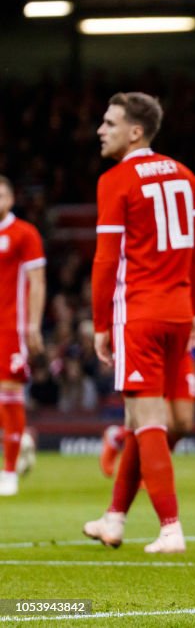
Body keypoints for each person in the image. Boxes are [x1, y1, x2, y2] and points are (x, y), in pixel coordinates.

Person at [83, 92, 195, 553]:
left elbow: (105, 259)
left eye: (109, 122)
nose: (101, 130)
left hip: (139, 310)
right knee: (143, 421)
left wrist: (100, 323)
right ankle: (113, 519)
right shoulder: (186, 176)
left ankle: (170, 528)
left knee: (148, 420)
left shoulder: (116, 180)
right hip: (179, 312)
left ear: (135, 132)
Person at [98, 226, 195, 477]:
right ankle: (144, 468)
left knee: (184, 424)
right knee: (159, 421)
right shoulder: (180, 280)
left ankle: (122, 440)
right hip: (156, 352)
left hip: (182, 356)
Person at [0, 176, 46, 496]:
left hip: (10, 326)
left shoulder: (25, 233)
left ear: (12, 197)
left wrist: (32, 325)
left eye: (1, 194)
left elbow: (38, 281)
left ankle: (9, 471)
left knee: (9, 392)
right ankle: (22, 439)